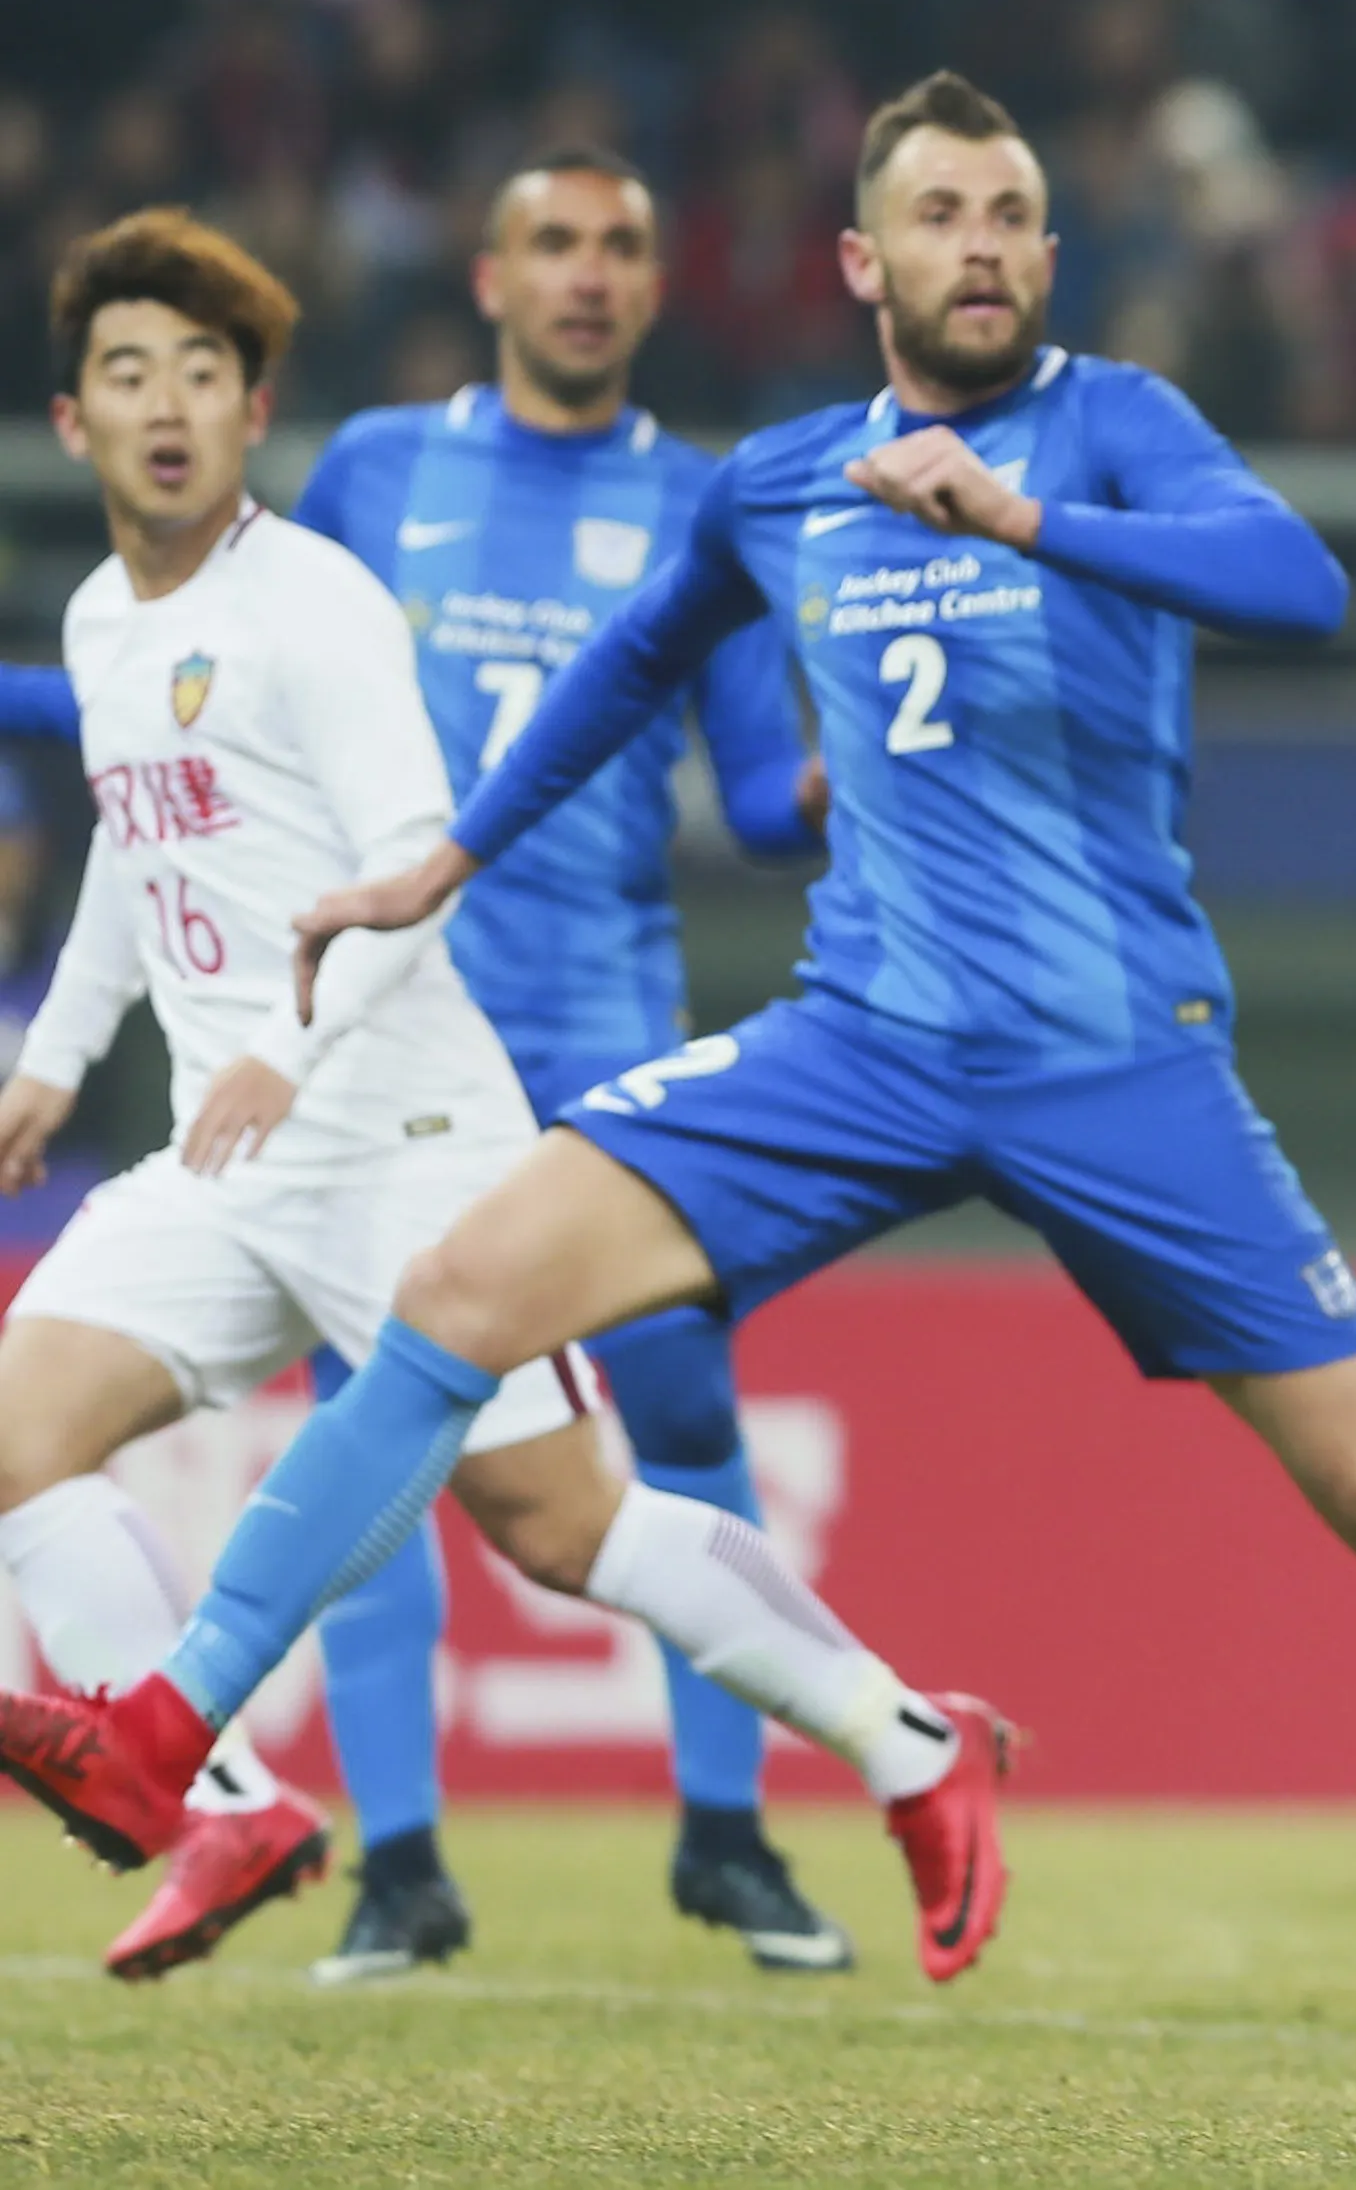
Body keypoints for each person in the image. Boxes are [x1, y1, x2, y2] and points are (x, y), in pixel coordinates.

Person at [20, 80, 1356, 2053]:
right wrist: (450, 858)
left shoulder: (1113, 426)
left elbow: (1305, 584)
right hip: (859, 1042)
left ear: (1050, 254)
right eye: (940, 215)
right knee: (459, 1291)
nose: (981, 244)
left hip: (1116, 1063)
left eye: (1011, 213)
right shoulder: (783, 479)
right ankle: (170, 1734)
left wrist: (1025, 521)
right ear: (865, 260)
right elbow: (637, 662)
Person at [0, 211, 986, 1981]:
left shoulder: (315, 599)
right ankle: (222, 1803)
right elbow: (132, 864)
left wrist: (282, 1045)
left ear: (253, 411)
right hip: (227, 1157)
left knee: (565, 1526)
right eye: (129, 373)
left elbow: (411, 861)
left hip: (404, 1144)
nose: (166, 405)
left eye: (203, 374)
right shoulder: (99, 620)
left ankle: (910, 1739)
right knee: (13, 1439)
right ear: (73, 421)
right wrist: (55, 1061)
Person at [286, 150, 842, 1979]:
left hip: (608, 1026)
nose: (587, 275)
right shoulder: (375, 469)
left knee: (679, 1408)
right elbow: (268, 709)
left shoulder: (701, 500)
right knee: (369, 1431)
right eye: (554, 244)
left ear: (655, 288)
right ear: (491, 276)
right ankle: (401, 1866)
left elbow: (754, 798)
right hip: (395, 1029)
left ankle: (724, 1836)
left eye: (619, 247)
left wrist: (851, 777)